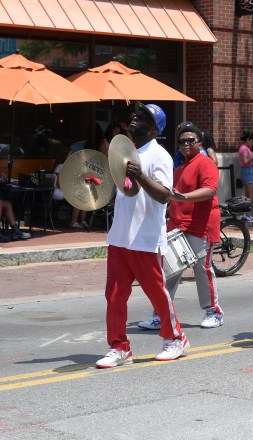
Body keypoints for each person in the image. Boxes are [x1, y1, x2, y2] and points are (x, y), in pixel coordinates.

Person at [96, 103, 189, 368]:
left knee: (156, 292)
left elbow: (164, 195)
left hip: (145, 238)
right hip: (120, 237)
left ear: (155, 127)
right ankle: (119, 347)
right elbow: (122, 192)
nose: (135, 118)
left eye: (144, 116)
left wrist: (141, 176)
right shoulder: (126, 151)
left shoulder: (159, 155)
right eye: (136, 114)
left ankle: (176, 338)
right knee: (113, 295)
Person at [138, 122, 223, 331]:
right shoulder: (180, 167)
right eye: (182, 141)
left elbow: (210, 191)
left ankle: (214, 312)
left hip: (200, 226)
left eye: (190, 141)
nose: (185, 144)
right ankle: (160, 314)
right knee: (169, 271)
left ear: (199, 143)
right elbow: (170, 195)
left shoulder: (205, 163)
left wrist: (183, 197)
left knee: (202, 270)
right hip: (178, 226)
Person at [52, 148, 88, 229]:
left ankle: (82, 221)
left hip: (65, 190)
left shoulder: (69, 166)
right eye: (70, 154)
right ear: (66, 156)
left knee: (85, 197)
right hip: (57, 191)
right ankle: (73, 222)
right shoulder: (60, 166)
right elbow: (58, 184)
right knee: (78, 199)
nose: (72, 155)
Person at [238, 131, 253, 222]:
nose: (252, 143)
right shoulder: (244, 149)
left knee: (248, 195)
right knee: (252, 194)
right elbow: (245, 161)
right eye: (252, 141)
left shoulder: (245, 148)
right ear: (247, 140)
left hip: (249, 171)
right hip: (248, 171)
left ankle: (245, 214)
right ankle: (245, 214)